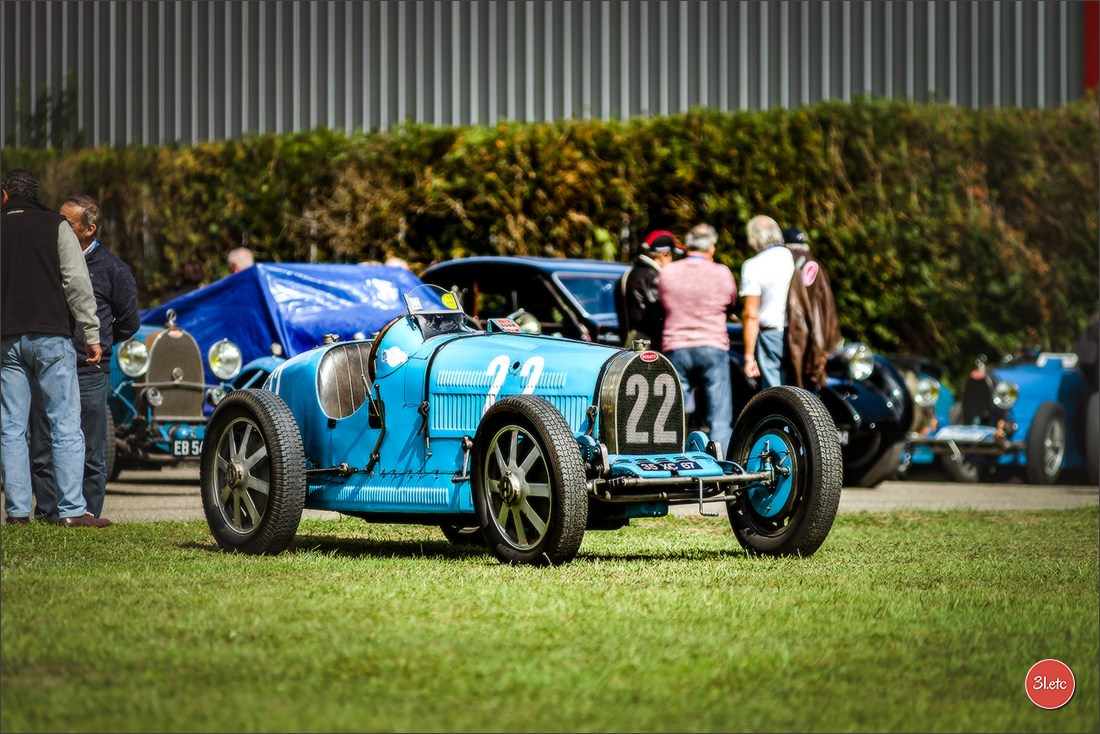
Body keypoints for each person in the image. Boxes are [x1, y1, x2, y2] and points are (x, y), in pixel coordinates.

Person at [0, 169, 110, 527]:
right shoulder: (56, 225)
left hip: (7, 338)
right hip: (51, 335)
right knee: (64, 424)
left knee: (12, 427)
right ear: (36, 194)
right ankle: (72, 511)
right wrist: (91, 333)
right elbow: (76, 282)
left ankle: (17, 513)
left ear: (5, 195)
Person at [29, 195, 140, 521]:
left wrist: (101, 343)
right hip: (48, 364)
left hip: (89, 370)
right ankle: (48, 513)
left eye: (67, 222)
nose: (58, 226)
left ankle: (87, 514)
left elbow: (129, 321)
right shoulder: (47, 261)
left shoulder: (114, 270)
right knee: (43, 445)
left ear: (89, 229)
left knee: (92, 449)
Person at [658, 222, 738, 458]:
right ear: (711, 248)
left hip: (676, 347)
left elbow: (662, 303)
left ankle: (671, 462)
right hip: (712, 346)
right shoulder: (722, 273)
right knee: (719, 418)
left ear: (687, 246)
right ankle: (722, 466)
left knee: (673, 417)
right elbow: (731, 302)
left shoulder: (668, 272)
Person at [783, 226, 842, 388]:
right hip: (815, 343)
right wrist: (825, 347)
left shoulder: (787, 263)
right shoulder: (816, 264)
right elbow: (827, 310)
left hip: (791, 339)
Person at [740, 216, 795, 388]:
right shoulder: (795, 259)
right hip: (799, 333)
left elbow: (751, 314)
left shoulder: (753, 265)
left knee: (775, 392)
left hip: (771, 336)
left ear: (753, 238)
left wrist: (749, 357)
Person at [616, 230, 681, 351]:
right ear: (664, 254)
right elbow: (658, 314)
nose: (672, 260)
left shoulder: (629, 273)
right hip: (649, 345)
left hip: (631, 342)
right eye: (671, 255)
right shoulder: (654, 277)